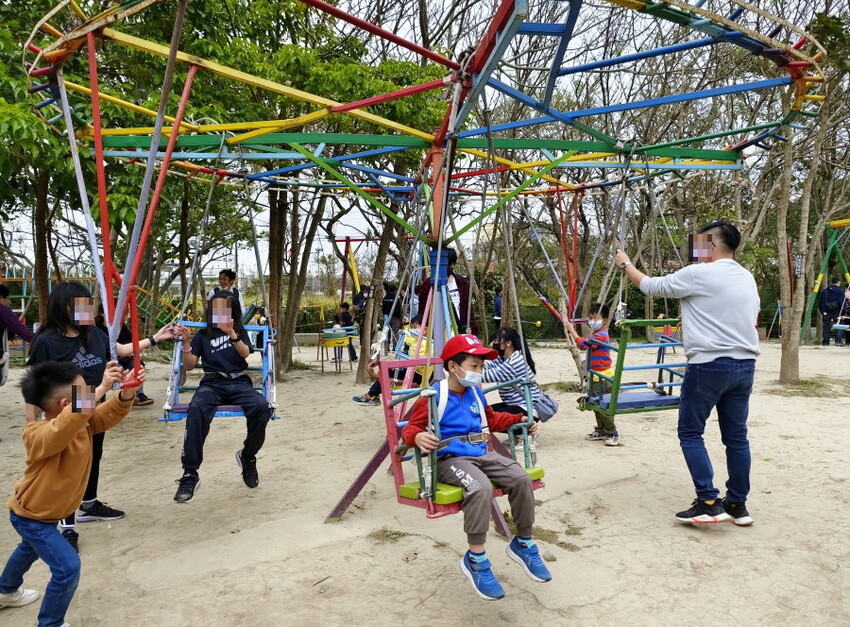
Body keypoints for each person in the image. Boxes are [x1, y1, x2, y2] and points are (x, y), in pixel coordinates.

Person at [615, 221, 759, 525]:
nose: (696, 250)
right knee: (736, 438)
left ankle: (708, 500)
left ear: (715, 245)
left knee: (691, 432)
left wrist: (626, 263)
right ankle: (737, 505)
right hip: (744, 365)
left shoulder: (701, 273)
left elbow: (650, 286)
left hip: (709, 365)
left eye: (700, 243)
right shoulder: (746, 277)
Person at [26, 281, 176, 551]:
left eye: (89, 303)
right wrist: (31, 423)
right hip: (64, 414)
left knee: (92, 455)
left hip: (93, 409)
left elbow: (119, 349)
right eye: (81, 304)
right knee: (66, 467)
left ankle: (89, 504)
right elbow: (33, 385)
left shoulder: (93, 333)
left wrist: (156, 338)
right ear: (64, 307)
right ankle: (66, 523)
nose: (88, 309)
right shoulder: (46, 342)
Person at [401, 334, 551, 600]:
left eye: (480, 367)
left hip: (482, 453)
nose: (478, 372)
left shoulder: (475, 393)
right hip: (450, 459)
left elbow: (492, 420)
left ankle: (523, 542)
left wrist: (522, 419)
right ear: (452, 367)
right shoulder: (434, 395)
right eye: (473, 366)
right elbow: (411, 427)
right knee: (478, 486)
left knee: (520, 477)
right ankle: (476, 558)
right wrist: (417, 437)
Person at [0, 360, 142, 627]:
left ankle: (5, 590)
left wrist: (126, 393)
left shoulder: (83, 422)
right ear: (67, 405)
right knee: (67, 569)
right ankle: (50, 623)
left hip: (47, 514)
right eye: (84, 392)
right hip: (31, 516)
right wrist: (101, 387)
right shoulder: (37, 434)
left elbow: (104, 415)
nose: (91, 395)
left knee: (27, 550)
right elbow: (61, 429)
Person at [173, 294, 272, 503]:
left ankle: (248, 456)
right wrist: (187, 342)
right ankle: (190, 473)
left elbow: (245, 354)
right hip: (212, 384)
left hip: (239, 382)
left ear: (232, 312)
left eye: (224, 310)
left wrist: (232, 334)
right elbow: (190, 365)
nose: (219, 314)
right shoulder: (204, 335)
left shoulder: (239, 331)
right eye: (215, 310)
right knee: (197, 409)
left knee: (262, 407)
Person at [565, 304, 620, 447]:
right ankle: (601, 430)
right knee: (596, 404)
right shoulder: (597, 335)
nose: (591, 321)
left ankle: (612, 432)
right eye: (590, 318)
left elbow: (583, 345)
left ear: (605, 320)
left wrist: (572, 331)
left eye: (595, 318)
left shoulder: (601, 335)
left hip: (603, 376)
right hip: (595, 375)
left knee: (604, 406)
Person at [352, 316, 428, 405]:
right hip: (413, 370)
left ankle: (370, 396)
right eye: (412, 327)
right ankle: (373, 395)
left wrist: (406, 364)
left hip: (419, 375)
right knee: (388, 371)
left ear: (425, 329)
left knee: (388, 372)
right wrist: (407, 325)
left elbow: (422, 362)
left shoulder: (427, 344)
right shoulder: (416, 340)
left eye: (415, 327)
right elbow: (408, 338)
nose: (413, 330)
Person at [417, 247, 478, 335]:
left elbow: (468, 307)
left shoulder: (461, 282)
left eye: (454, 263)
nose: (452, 266)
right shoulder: (428, 285)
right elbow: (423, 310)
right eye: (449, 263)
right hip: (436, 330)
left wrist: (472, 329)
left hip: (458, 329)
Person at [482, 326, 542, 416]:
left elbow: (484, 376)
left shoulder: (513, 363)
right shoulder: (503, 358)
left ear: (508, 343)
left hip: (527, 408)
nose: (495, 344)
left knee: (485, 417)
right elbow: (486, 367)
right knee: (483, 411)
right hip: (515, 404)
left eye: (498, 341)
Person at [0, 284, 35, 386]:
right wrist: (41, 340)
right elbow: (22, 331)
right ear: (2, 298)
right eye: (8, 299)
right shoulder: (2, 309)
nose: (9, 302)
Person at [819, 276, 845, 346]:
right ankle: (838, 341)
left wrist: (822, 311)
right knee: (840, 324)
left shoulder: (825, 291)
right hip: (837, 311)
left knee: (826, 326)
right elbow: (842, 302)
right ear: (839, 282)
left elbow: (820, 302)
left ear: (832, 282)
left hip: (826, 312)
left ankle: (825, 341)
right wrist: (843, 312)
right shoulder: (840, 291)